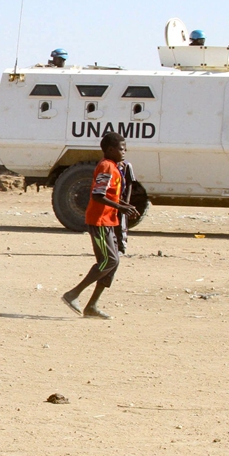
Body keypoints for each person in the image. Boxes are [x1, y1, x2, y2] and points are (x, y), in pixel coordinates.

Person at [61, 132, 140, 319]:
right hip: (99, 221)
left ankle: (92, 306)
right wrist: (120, 207)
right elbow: (97, 195)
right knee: (109, 261)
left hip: (108, 220)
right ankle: (73, 294)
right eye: (121, 148)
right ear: (110, 150)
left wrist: (125, 207)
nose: (124, 152)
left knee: (113, 262)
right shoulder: (106, 167)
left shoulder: (115, 166)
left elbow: (111, 195)